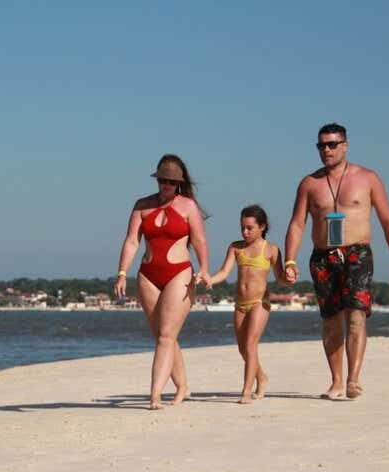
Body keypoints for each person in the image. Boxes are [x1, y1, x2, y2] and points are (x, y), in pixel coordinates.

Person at [284, 123, 389, 400]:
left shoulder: (368, 178)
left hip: (357, 254)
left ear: (345, 145)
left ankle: (353, 379)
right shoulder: (310, 183)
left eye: (332, 144)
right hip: (323, 257)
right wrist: (290, 260)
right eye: (321, 145)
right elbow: (296, 225)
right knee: (330, 321)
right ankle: (336, 381)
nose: (326, 150)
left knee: (355, 315)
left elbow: (388, 220)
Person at [113, 154, 210, 410]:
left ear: (178, 182)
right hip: (148, 274)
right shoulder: (141, 205)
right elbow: (132, 241)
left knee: (166, 336)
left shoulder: (188, 207)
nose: (165, 185)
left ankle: (155, 395)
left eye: (170, 181)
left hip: (179, 273)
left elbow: (199, 240)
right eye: (162, 180)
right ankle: (183, 387)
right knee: (163, 335)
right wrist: (122, 272)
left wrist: (205, 269)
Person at [209, 205, 288, 404]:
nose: (245, 232)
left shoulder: (271, 250)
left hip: (259, 303)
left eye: (249, 228)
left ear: (262, 226)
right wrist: (209, 279)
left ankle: (246, 390)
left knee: (251, 345)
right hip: (240, 304)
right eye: (242, 227)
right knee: (243, 349)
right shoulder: (236, 247)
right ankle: (261, 377)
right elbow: (224, 272)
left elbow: (280, 279)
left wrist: (290, 277)